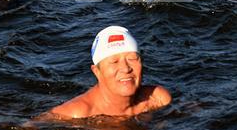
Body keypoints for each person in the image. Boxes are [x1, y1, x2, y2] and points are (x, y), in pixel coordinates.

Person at [43, 26, 171, 119]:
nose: (126, 68)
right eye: (114, 62)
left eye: (132, 59)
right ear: (97, 71)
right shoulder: (77, 113)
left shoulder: (157, 99)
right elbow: (33, 126)